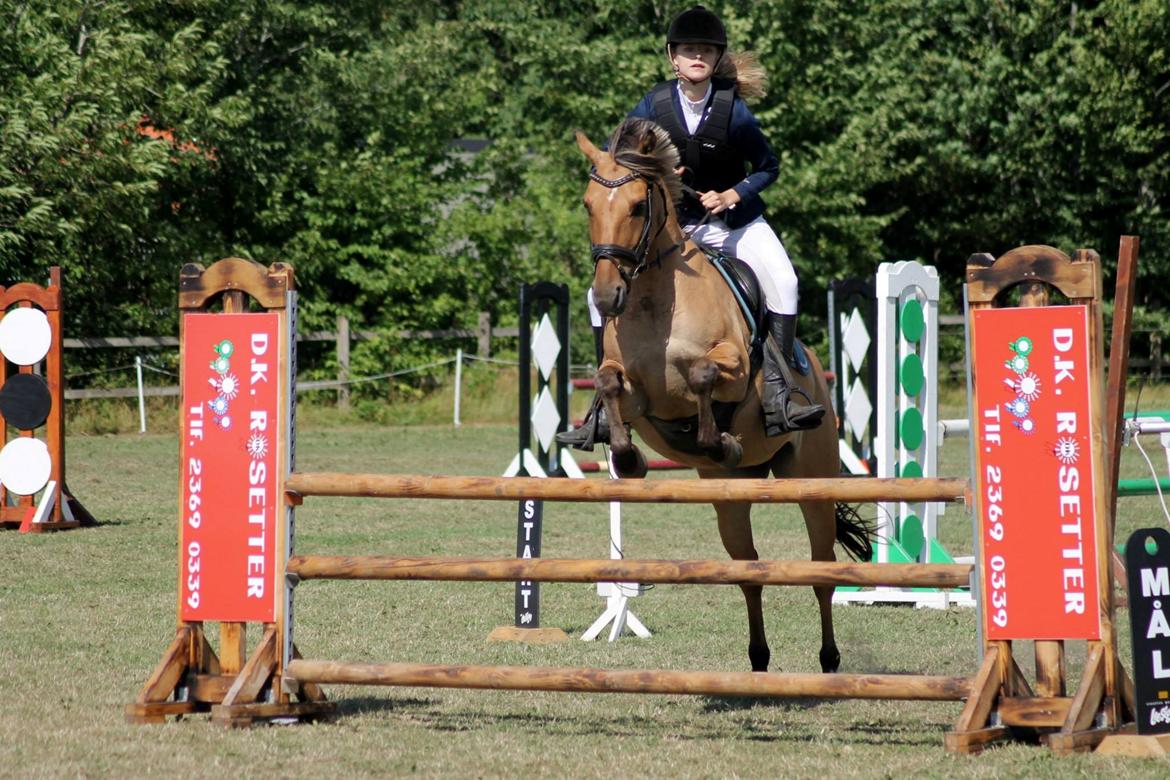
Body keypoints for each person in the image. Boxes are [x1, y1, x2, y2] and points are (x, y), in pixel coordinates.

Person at [559, 5, 823, 450]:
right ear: (672, 57)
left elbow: (768, 165)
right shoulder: (654, 104)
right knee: (594, 295)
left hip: (735, 224)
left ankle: (781, 392)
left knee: (786, 281)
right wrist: (657, 176)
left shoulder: (733, 110)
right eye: (688, 50)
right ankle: (603, 410)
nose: (696, 56)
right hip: (676, 229)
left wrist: (733, 194)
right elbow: (614, 159)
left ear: (716, 59)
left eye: (705, 50)